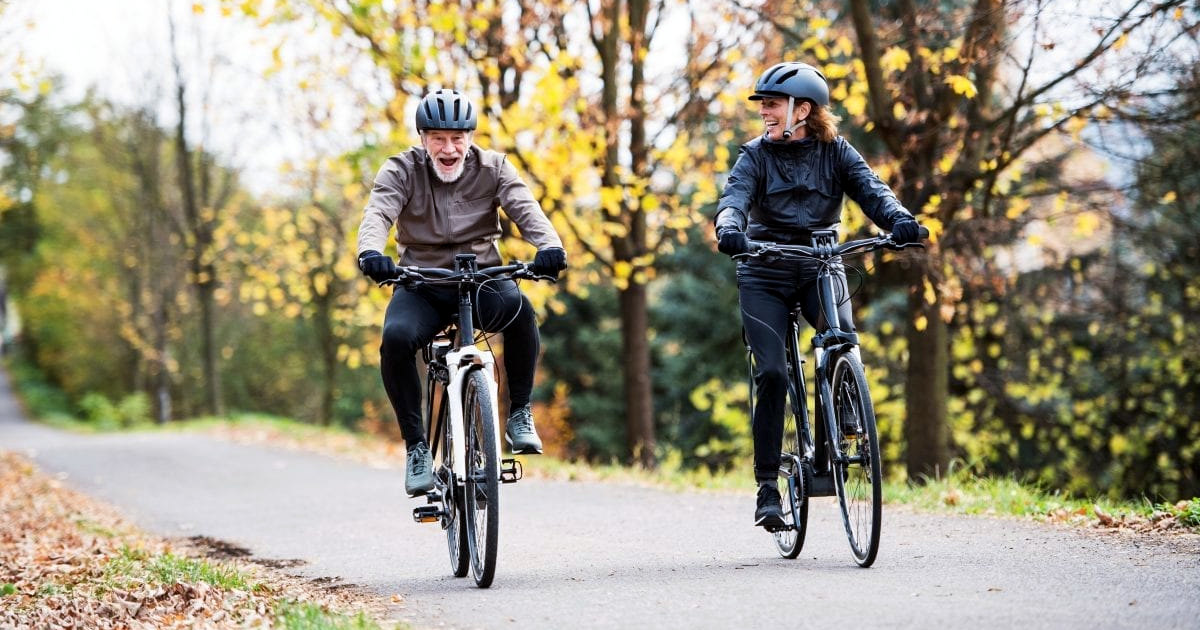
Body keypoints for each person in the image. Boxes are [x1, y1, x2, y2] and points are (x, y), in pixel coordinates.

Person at [713, 62, 922, 529]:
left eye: (771, 103)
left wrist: (899, 220)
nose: (764, 112)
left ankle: (847, 411)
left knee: (842, 337)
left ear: (801, 109)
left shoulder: (837, 152)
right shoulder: (754, 156)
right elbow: (734, 199)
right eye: (764, 104)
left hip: (821, 265)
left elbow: (874, 191)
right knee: (771, 372)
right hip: (764, 271)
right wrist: (730, 228)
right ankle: (768, 486)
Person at [356, 88, 567, 497]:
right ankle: (417, 448)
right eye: (437, 138)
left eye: (457, 138)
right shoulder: (400, 170)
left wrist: (550, 246)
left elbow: (525, 207)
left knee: (521, 311)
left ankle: (519, 413)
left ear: (470, 138)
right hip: (422, 283)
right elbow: (379, 211)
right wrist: (370, 252)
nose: (448, 148)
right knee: (396, 340)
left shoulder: (494, 167)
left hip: (482, 278)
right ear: (422, 139)